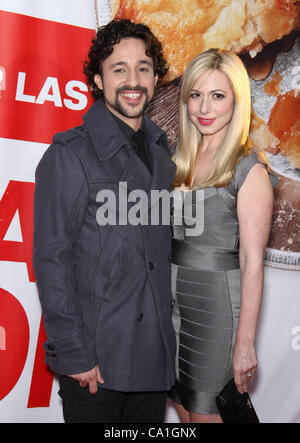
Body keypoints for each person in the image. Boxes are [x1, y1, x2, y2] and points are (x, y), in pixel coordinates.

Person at [33, 19, 177, 423]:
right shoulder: (70, 154)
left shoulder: (162, 155)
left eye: (143, 68)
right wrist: (75, 353)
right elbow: (51, 262)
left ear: (155, 77)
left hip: (151, 362)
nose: (133, 80)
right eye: (119, 69)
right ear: (98, 80)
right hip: (96, 365)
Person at [169, 48, 277, 423]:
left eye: (218, 96)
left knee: (205, 411)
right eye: (196, 94)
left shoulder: (249, 170)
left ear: (237, 100)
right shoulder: (178, 158)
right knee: (183, 408)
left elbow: (251, 263)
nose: (205, 107)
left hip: (214, 310)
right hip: (172, 305)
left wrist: (245, 343)